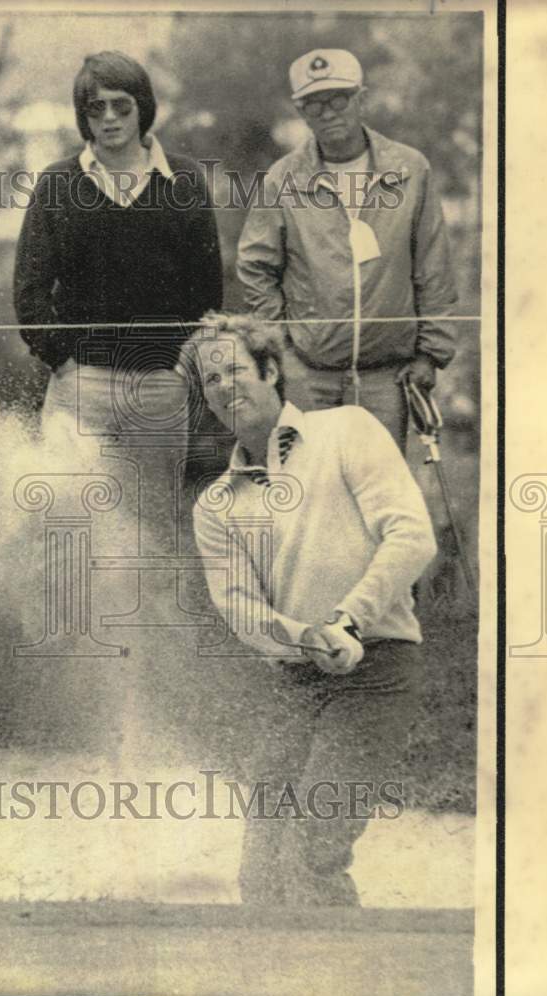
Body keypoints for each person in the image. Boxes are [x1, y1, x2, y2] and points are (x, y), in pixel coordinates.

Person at [187, 314, 437, 906]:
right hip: (293, 682)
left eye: (235, 370)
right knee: (262, 876)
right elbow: (242, 611)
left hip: (379, 669)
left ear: (271, 371)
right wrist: (311, 638)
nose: (225, 387)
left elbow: (411, 537)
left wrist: (347, 621)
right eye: (210, 380)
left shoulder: (348, 429)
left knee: (312, 847)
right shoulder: (216, 503)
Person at [14, 50, 223, 558]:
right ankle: (67, 630)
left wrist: (177, 367)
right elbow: (30, 290)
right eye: (95, 107)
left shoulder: (185, 180)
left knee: (153, 525)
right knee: (66, 520)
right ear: (82, 115)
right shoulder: (58, 183)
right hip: (80, 384)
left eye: (121, 106)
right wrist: (61, 359)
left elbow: (207, 289)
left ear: (143, 108)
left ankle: (149, 635)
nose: (108, 118)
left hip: (160, 389)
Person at [236, 49, 458, 452]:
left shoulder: (410, 169)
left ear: (361, 98)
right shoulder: (282, 179)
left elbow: (433, 266)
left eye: (339, 98)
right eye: (314, 103)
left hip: (388, 377)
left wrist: (431, 354)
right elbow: (255, 266)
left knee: (379, 496)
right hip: (311, 375)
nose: (328, 112)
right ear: (300, 110)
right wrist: (284, 351)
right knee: (314, 492)